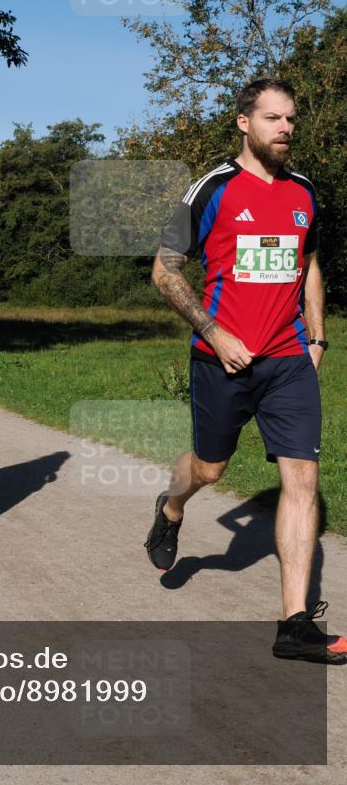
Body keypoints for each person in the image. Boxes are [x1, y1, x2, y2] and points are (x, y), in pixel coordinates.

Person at [145, 77, 346, 664]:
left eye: (291, 119)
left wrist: (317, 335)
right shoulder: (213, 189)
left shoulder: (304, 191)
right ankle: (171, 508)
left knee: (302, 479)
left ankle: (294, 625)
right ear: (244, 123)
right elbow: (164, 270)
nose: (285, 129)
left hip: (288, 360)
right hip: (221, 361)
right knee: (209, 469)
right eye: (272, 118)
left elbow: (309, 263)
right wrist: (213, 331)